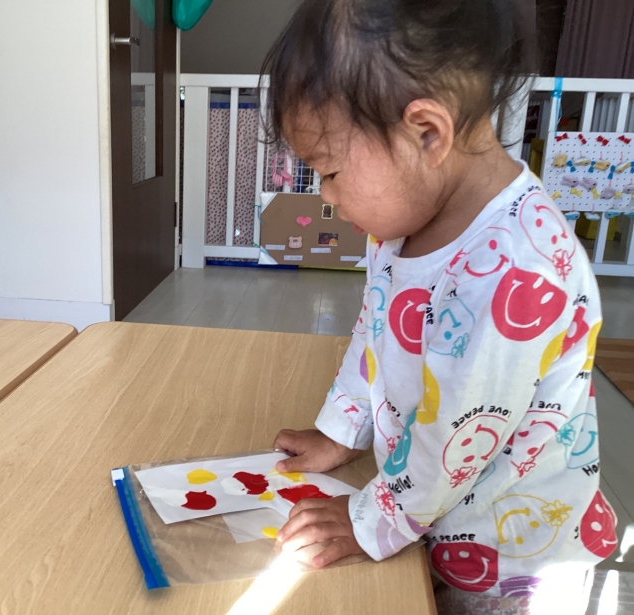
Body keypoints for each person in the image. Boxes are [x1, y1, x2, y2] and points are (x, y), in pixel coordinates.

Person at [262, 1, 617, 613]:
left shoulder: (516, 268)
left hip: (513, 559)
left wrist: (369, 520)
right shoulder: (401, 226)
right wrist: (341, 432)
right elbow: (374, 335)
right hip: (428, 513)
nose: (326, 195)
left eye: (331, 171)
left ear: (427, 133)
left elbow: (456, 437)